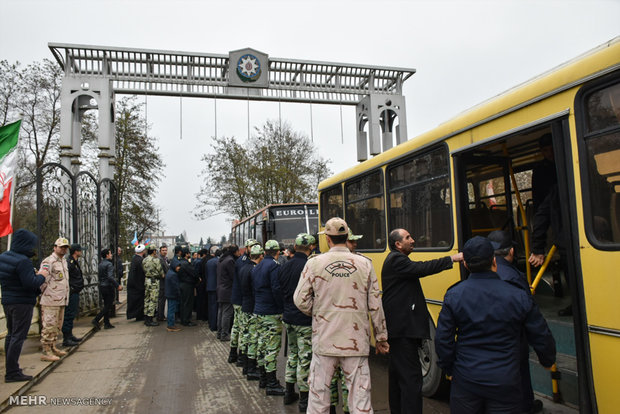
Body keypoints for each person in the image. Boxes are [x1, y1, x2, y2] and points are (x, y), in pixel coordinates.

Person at [435, 236, 556, 414]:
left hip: (466, 380)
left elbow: (443, 339)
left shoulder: (454, 295)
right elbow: (540, 333)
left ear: (466, 265)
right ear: (494, 262)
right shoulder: (518, 295)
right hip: (506, 381)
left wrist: (449, 368)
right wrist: (547, 360)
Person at [294, 217, 389, 414]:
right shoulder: (365, 264)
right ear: (347, 237)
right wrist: (381, 337)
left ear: (328, 239)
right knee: (360, 400)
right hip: (356, 342)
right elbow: (375, 305)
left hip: (324, 341)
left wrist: (320, 313)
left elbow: (300, 299)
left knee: (319, 399)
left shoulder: (314, 263)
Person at [380, 228, 463, 414]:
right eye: (408, 237)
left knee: (397, 377)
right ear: (398, 244)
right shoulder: (397, 260)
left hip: (398, 330)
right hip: (403, 332)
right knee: (411, 379)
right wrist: (452, 259)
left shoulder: (397, 260)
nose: (413, 240)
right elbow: (422, 268)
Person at [488, 230, 543, 414]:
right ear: (511, 251)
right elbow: (530, 317)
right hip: (514, 339)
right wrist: (545, 352)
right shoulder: (515, 277)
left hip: (494, 341)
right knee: (519, 374)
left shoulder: (483, 273)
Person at [0, 229, 47, 382]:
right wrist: (41, 275)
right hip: (22, 302)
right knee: (18, 336)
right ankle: (12, 372)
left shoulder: (3, 257)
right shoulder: (23, 261)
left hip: (8, 301)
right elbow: (30, 284)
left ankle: (11, 368)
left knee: (11, 335)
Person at [279, 233, 316, 411]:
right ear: (311, 248)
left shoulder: (285, 266)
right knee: (305, 358)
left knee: (292, 354)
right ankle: (304, 399)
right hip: (304, 319)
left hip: (288, 318)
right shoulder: (309, 266)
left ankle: (288, 392)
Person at [252, 239, 286, 395]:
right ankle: (272, 383)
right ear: (278, 252)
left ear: (264, 252)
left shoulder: (257, 267)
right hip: (271, 312)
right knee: (272, 347)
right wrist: (281, 307)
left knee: (262, 344)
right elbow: (276, 288)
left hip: (258, 310)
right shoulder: (274, 266)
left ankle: (263, 379)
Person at [39, 237, 71, 362]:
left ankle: (53, 347)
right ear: (55, 247)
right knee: (49, 326)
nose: (63, 249)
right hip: (51, 300)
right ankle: (46, 350)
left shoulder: (63, 261)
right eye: (61, 247)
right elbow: (42, 281)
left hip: (61, 299)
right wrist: (46, 294)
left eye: (65, 247)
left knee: (57, 325)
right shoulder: (48, 261)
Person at [229, 239, 258, 364]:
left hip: (238, 298)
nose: (253, 249)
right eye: (252, 246)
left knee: (237, 327)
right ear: (247, 247)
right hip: (241, 299)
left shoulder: (241, 260)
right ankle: (240, 355)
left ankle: (233, 353)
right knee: (242, 328)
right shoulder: (244, 262)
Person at [241, 244, 263, 381]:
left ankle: (245, 366)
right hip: (252, 306)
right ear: (260, 256)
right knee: (253, 338)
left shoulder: (244, 268)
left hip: (245, 304)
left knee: (247, 335)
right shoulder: (254, 270)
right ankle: (251, 369)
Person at [93, 248, 122, 330]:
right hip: (108, 286)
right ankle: (96, 319)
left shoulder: (100, 264)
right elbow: (110, 277)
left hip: (102, 286)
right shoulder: (109, 264)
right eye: (110, 253)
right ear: (107, 255)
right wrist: (117, 285)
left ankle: (107, 322)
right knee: (108, 306)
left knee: (106, 304)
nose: (111, 255)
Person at [61, 243, 85, 347]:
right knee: (68, 314)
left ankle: (70, 335)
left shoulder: (73, 262)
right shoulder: (69, 263)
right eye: (80, 250)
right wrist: (71, 288)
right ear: (76, 251)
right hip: (71, 292)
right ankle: (66, 338)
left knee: (71, 314)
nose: (81, 252)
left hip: (75, 291)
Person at [217, 245, 238, 341]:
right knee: (227, 313)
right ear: (235, 252)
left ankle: (219, 332)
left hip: (221, 289)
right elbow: (233, 276)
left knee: (221, 312)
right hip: (227, 290)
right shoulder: (230, 261)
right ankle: (224, 334)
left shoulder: (222, 259)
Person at [143, 245, 164, 327]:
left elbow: (144, 269)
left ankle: (146, 317)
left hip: (147, 280)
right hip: (154, 281)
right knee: (153, 300)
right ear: (154, 251)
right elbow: (161, 272)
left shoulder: (144, 260)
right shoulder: (156, 260)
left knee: (147, 299)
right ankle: (150, 319)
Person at [178, 247, 199, 326]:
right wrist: (198, 279)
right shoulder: (186, 263)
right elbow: (194, 273)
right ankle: (186, 320)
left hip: (182, 284)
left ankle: (183, 319)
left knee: (183, 303)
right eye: (188, 253)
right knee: (188, 303)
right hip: (187, 285)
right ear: (186, 254)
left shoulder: (180, 262)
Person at [165, 245, 183, 332]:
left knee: (170, 309)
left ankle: (170, 324)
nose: (179, 268)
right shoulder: (173, 275)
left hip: (169, 294)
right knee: (171, 310)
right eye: (178, 266)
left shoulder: (170, 272)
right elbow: (175, 286)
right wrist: (179, 294)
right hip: (172, 295)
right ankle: (171, 325)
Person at [126, 244, 146, 321]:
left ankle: (137, 314)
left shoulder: (135, 259)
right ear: (143, 251)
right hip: (138, 284)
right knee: (139, 301)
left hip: (134, 284)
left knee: (135, 301)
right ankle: (139, 315)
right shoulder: (140, 260)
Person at [206, 247, 221, 331]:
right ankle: (215, 325)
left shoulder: (208, 262)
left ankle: (211, 324)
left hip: (209, 286)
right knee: (216, 307)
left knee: (211, 306)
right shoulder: (218, 262)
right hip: (216, 287)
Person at [194, 249, 209, 321]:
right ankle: (203, 316)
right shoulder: (202, 262)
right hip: (202, 283)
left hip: (199, 283)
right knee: (203, 300)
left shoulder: (197, 261)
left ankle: (199, 315)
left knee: (199, 300)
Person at [157, 244, 170, 321]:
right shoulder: (160, 260)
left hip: (165, 282)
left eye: (165, 250)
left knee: (163, 300)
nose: (165, 252)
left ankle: (161, 315)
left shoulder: (165, 259)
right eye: (163, 250)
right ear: (160, 251)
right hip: (162, 282)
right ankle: (160, 316)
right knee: (161, 300)